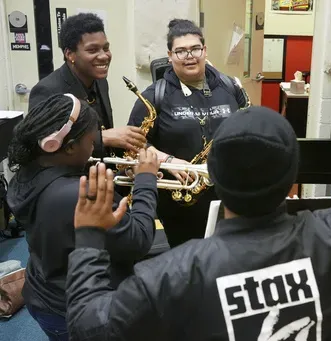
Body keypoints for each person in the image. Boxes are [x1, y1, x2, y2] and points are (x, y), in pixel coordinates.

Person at [65, 99, 331, 341]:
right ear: (291, 181)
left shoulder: (173, 271)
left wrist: (88, 238)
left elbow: (86, 325)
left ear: (212, 177)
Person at [6, 93, 160, 340]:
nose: (93, 147)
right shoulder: (81, 195)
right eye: (91, 140)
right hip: (79, 306)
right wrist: (145, 180)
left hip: (45, 290)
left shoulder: (28, 172)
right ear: (67, 147)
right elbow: (139, 239)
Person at [127, 18, 249, 248]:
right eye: (180, 51)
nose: (189, 56)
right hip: (181, 203)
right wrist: (168, 160)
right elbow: (134, 145)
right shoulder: (154, 96)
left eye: (195, 49)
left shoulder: (230, 87)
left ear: (205, 50)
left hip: (229, 195)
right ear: (170, 55)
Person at [28, 12, 146, 158]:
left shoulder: (101, 82)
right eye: (92, 50)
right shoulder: (47, 90)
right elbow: (42, 147)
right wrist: (102, 138)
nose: (104, 56)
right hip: (66, 178)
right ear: (70, 54)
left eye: (106, 48)